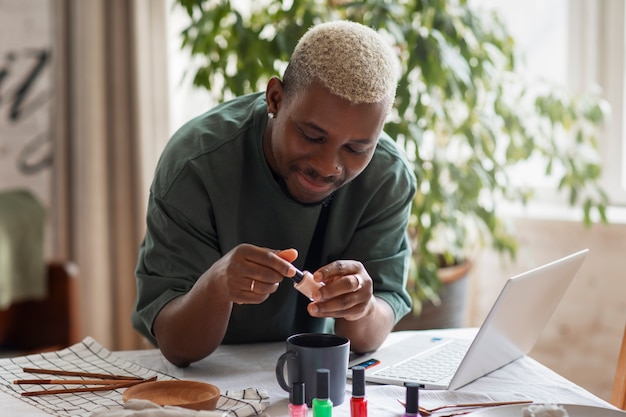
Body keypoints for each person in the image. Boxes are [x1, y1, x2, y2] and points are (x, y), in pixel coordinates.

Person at [132, 20, 417, 367]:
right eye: (312, 136)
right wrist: (217, 286)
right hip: (204, 377)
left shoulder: (386, 175)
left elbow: (365, 338)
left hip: (311, 372)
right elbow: (178, 347)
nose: (328, 166)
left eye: (356, 148)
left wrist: (362, 305)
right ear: (275, 99)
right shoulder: (195, 164)